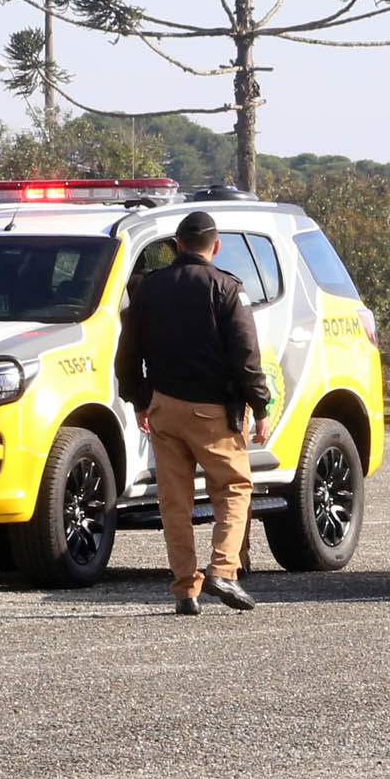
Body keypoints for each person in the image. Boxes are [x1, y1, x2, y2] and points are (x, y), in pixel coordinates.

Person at [115, 210, 274, 614]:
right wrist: (260, 405)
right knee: (233, 488)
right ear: (215, 247)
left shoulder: (147, 288)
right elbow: (246, 355)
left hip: (164, 408)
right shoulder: (226, 287)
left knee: (175, 503)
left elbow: (127, 352)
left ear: (177, 245)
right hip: (213, 412)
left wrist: (138, 400)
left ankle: (186, 589)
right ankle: (223, 570)